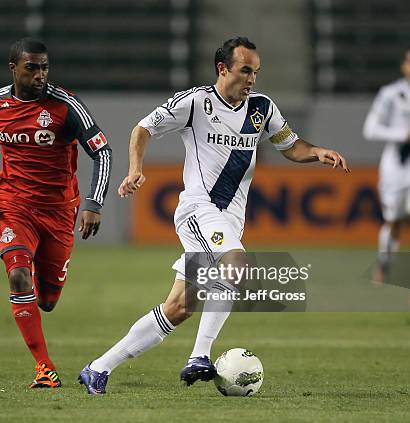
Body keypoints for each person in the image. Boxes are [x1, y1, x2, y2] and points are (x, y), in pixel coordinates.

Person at [78, 37, 349, 395]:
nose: (252, 78)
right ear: (223, 69)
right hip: (198, 210)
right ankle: (200, 356)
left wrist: (317, 152)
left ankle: (98, 368)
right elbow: (143, 129)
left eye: (256, 71)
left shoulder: (262, 109)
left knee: (179, 307)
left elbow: (291, 146)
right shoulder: (195, 102)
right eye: (245, 70)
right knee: (237, 264)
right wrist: (135, 169)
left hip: (228, 220)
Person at [0, 38, 112, 388]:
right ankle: (45, 368)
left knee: (47, 300)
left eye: (44, 67)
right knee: (18, 275)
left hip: (60, 212)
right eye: (32, 67)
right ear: (13, 68)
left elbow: (102, 152)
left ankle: (45, 299)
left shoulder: (66, 106)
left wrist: (93, 203)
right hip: (14, 206)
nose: (40, 74)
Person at [363, 48, 410, 310]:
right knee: (393, 223)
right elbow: (371, 128)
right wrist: (405, 134)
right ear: (405, 68)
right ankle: (385, 263)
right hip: (396, 166)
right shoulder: (390, 94)